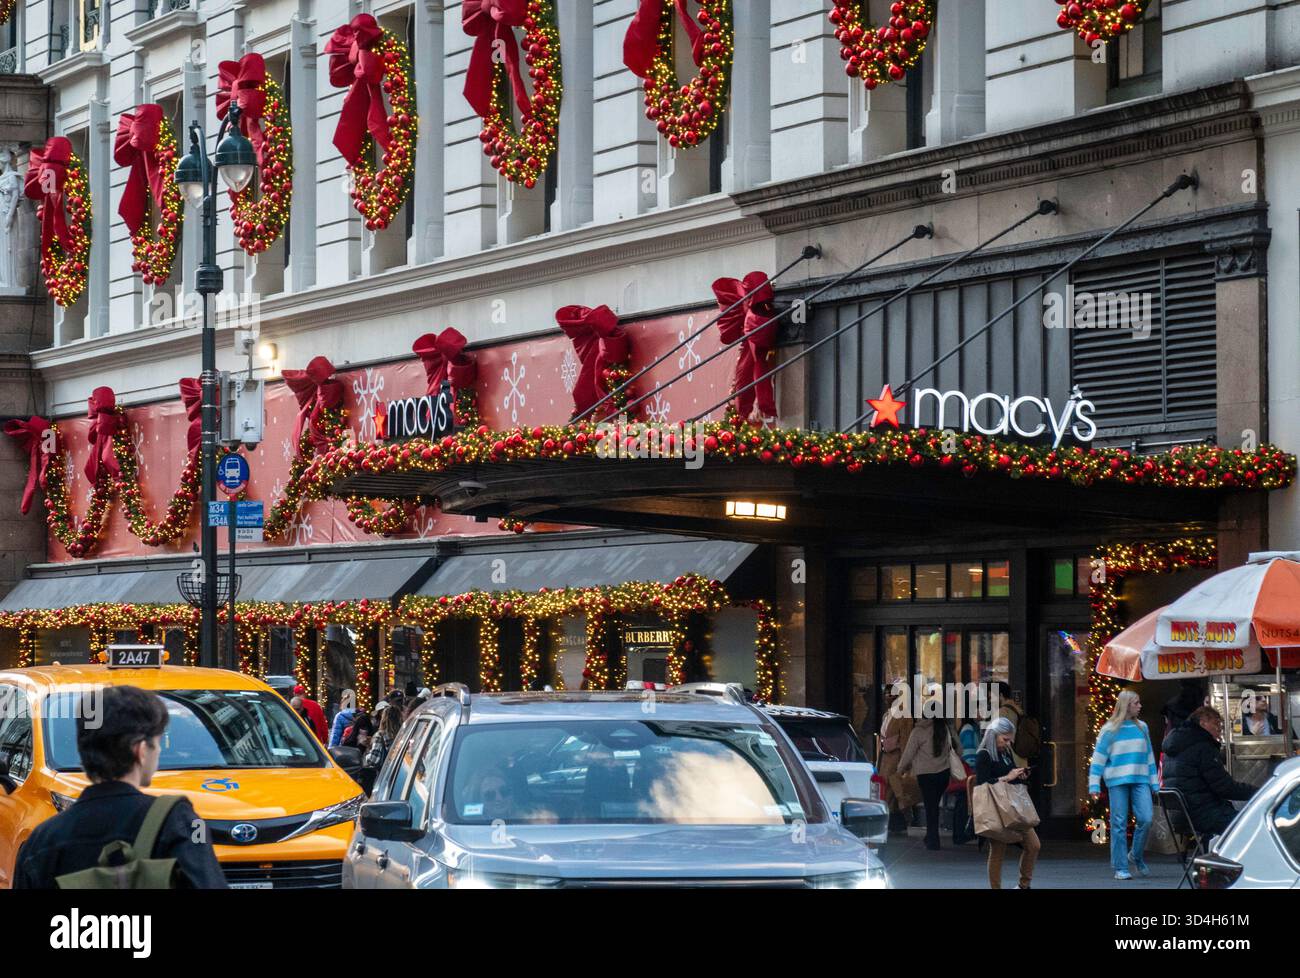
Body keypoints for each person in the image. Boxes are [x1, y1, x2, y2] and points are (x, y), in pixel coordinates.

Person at [13, 686, 227, 889]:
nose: (158, 752)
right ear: (141, 750)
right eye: (158, 743)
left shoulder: (41, 840)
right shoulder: (175, 822)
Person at [1087, 690, 1159, 880]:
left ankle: (1135, 855)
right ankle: (1120, 867)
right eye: (1136, 703)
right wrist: (1094, 785)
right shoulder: (1109, 729)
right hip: (1117, 781)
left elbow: (1149, 756)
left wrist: (1154, 782)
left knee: (1146, 818)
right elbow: (1099, 759)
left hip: (1140, 779)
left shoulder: (1143, 727)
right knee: (1118, 823)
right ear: (1126, 705)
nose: (1140, 706)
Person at [1161, 706, 1257, 838]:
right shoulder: (1203, 747)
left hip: (1180, 815)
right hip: (1203, 813)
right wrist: (1258, 792)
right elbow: (1224, 787)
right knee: (1252, 825)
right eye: (1216, 723)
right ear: (1203, 723)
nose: (1220, 728)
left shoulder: (1176, 744)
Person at [975, 716, 1040, 890]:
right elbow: (982, 784)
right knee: (997, 850)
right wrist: (1007, 777)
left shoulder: (1005, 752)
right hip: (996, 808)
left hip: (1013, 807)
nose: (1008, 743)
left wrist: (1018, 775)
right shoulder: (984, 755)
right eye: (1005, 739)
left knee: (1033, 845)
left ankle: (1023, 885)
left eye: (1010, 740)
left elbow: (1009, 776)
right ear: (993, 735)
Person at [898, 714, 959, 851]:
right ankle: (930, 836)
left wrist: (900, 769)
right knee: (934, 805)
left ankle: (933, 840)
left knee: (930, 807)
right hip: (943, 774)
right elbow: (958, 749)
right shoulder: (945, 728)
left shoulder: (918, 731)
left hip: (925, 775)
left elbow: (909, 753)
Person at [876, 683, 915, 833]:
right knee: (887, 790)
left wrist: (905, 764)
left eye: (890, 694)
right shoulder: (887, 714)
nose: (888, 697)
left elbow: (906, 739)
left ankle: (897, 822)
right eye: (886, 694)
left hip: (896, 757)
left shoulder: (904, 714)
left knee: (893, 791)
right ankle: (894, 823)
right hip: (885, 757)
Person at [363, 700, 404, 773]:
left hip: (386, 774)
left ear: (384, 718)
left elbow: (373, 760)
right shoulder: (405, 733)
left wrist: (367, 753)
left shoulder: (381, 735)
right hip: (401, 772)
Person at [1161, 679, 1204, 748]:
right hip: (1195, 742)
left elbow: (1169, 727)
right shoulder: (1199, 704)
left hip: (1176, 742)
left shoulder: (1171, 705)